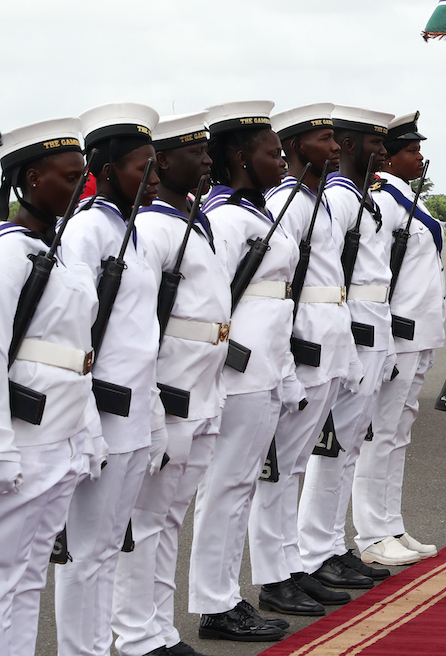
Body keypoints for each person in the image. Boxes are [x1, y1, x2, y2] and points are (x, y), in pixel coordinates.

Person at [113, 112, 232, 656]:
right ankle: (135, 633)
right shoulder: (152, 227)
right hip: (172, 389)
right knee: (146, 517)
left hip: (203, 387)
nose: (209, 160)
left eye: (209, 152)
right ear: (161, 162)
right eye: (195, 153)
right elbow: (144, 323)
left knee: (169, 516)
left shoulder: (193, 219)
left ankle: (160, 627)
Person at [56, 103, 167, 656]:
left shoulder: (134, 230)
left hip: (134, 410)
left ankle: (100, 645)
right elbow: (77, 335)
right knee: (85, 550)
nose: (152, 177)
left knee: (106, 548)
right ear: (109, 168)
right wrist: (83, 425)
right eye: (140, 167)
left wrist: (154, 414)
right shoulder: (87, 230)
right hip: (98, 412)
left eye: (154, 166)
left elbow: (140, 333)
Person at [190, 101, 296, 642]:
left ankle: (224, 595)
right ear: (238, 156)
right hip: (242, 370)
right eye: (270, 152)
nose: (281, 160)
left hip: (266, 365)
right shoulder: (228, 218)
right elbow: (217, 302)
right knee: (227, 485)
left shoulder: (253, 211)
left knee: (239, 485)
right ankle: (217, 602)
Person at [0, 118, 101, 656]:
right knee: (5, 580)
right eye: (68, 177)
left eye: (82, 174)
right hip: (23, 441)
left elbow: (78, 357)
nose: (79, 186)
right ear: (33, 179)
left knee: (30, 575)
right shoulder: (8, 254)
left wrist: (86, 435)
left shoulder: (60, 253)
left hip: (60, 437)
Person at [252, 103, 355, 617]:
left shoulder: (318, 199)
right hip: (305, 343)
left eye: (336, 139)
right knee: (279, 468)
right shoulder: (286, 201)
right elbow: (282, 287)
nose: (336, 147)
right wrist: (288, 357)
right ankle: (273, 575)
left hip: (331, 336)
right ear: (295, 147)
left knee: (294, 465)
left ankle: (292, 565)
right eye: (324, 139)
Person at [295, 105, 395, 590]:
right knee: (330, 449)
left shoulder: (360, 197)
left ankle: (333, 543)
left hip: (373, 327)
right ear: (353, 146)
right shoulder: (337, 198)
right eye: (375, 144)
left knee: (349, 446)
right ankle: (315, 549)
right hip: (350, 329)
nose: (384, 152)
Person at [353, 113, 443, 566]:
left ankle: (390, 523)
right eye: (412, 150)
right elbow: (376, 271)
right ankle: (370, 532)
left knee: (398, 433)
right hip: (398, 332)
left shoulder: (405, 197)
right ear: (388, 156)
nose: (420, 156)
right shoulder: (383, 200)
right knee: (379, 434)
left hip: (419, 331)